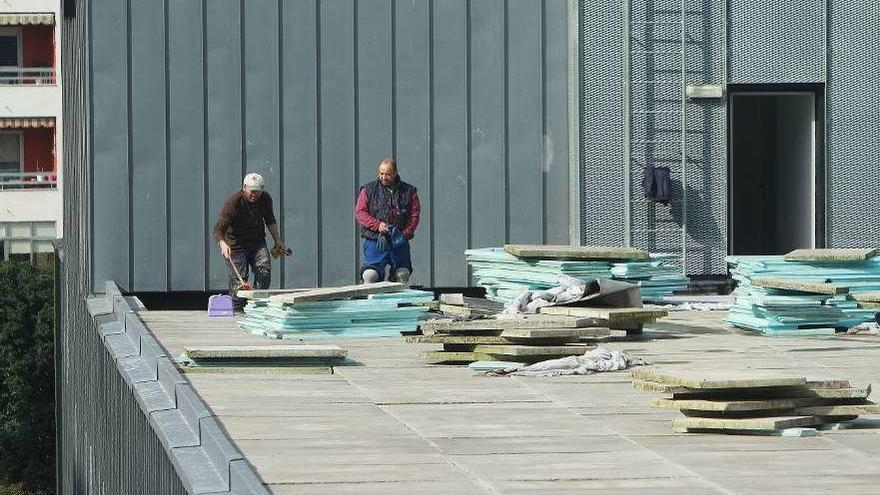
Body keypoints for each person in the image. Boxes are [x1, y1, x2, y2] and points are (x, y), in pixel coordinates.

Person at [214, 172, 287, 308]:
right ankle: (237, 308)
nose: (255, 195)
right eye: (252, 191)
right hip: (235, 246)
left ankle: (257, 305)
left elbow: (270, 219)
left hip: (257, 243)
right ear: (244, 187)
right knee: (240, 281)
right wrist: (222, 244)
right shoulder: (233, 203)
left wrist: (278, 240)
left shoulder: (265, 198)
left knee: (264, 271)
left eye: (258, 192)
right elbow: (218, 229)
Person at [354, 157, 421, 284]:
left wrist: (405, 234)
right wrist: (378, 225)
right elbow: (360, 212)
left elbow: (414, 215)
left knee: (402, 274)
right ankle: (371, 301)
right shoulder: (368, 190)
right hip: (375, 240)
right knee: (370, 275)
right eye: (381, 173)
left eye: (387, 174)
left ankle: (399, 302)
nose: (383, 177)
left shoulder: (409, 191)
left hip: (399, 241)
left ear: (395, 173)